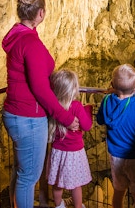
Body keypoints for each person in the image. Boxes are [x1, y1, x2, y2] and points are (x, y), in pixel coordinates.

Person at [2, 0, 79, 208]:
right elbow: (40, 89)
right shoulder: (30, 44)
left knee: (21, 171)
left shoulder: (18, 36)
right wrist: (64, 117)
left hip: (16, 113)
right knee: (29, 178)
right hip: (28, 117)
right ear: (41, 13)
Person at [96, 63, 135, 208]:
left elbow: (100, 119)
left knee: (118, 190)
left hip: (115, 155)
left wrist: (111, 94)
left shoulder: (106, 101)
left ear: (112, 84)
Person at [47, 69, 93, 208]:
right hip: (74, 152)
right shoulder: (77, 107)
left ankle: (59, 205)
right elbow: (87, 126)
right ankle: (78, 206)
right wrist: (88, 111)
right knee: (76, 184)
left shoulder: (52, 106)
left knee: (57, 183)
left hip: (58, 151)